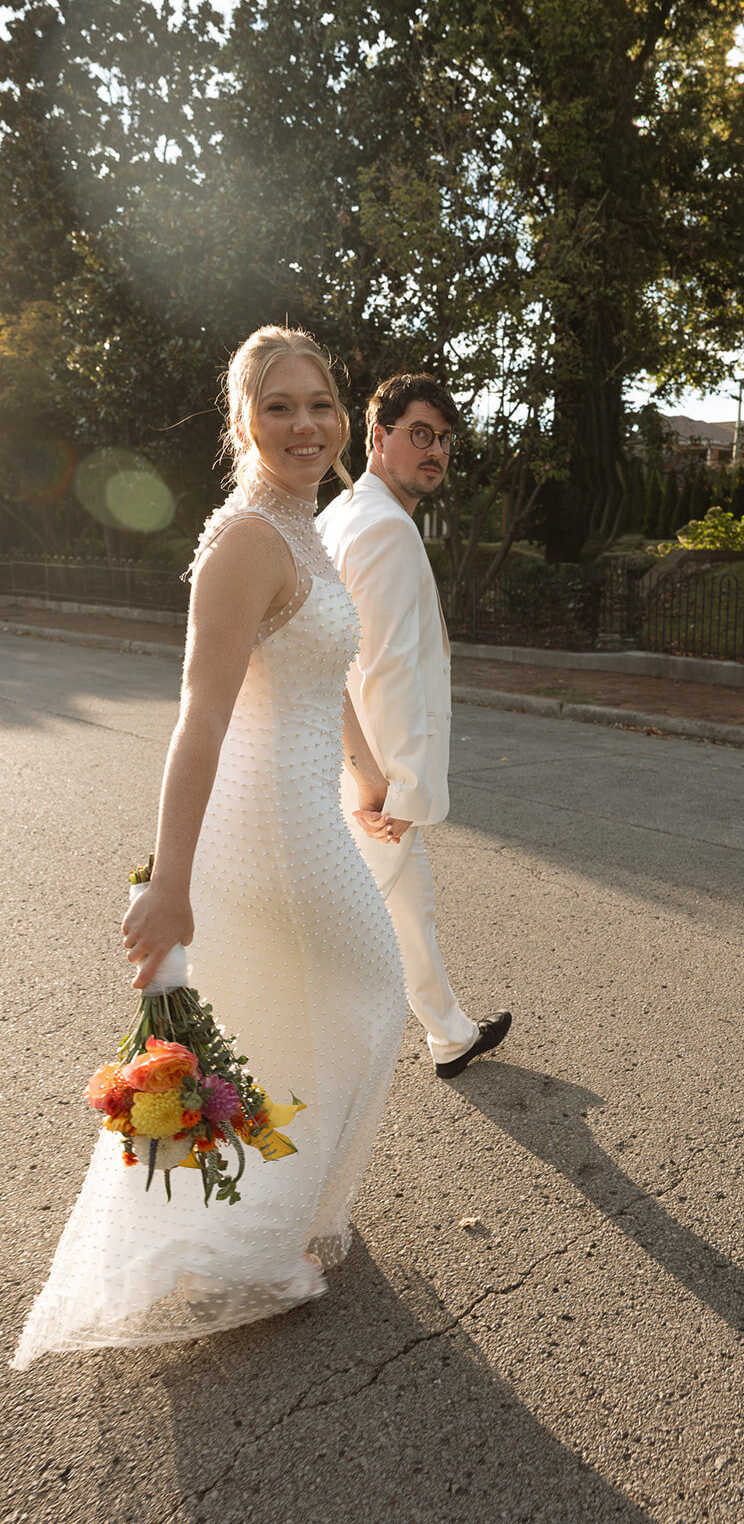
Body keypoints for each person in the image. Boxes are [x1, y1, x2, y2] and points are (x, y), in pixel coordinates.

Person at [13, 326, 405, 1370]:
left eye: (319, 402)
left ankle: (270, 1219)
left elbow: (322, 664)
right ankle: (258, 1231)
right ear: (243, 423)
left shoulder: (305, 525)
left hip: (310, 809)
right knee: (373, 986)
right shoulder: (246, 539)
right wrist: (170, 882)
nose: (305, 424)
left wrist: (365, 769)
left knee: (295, 1008)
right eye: (278, 406)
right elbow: (198, 713)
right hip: (267, 823)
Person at [317, 373, 511, 1079]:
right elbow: (384, 671)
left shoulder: (340, 513)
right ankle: (320, 1070)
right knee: (352, 926)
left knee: (405, 906)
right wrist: (390, 787)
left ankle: (448, 1034)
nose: (435, 451)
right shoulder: (385, 530)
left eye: (444, 439)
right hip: (366, 773)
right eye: (418, 434)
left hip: (337, 757)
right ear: (377, 438)